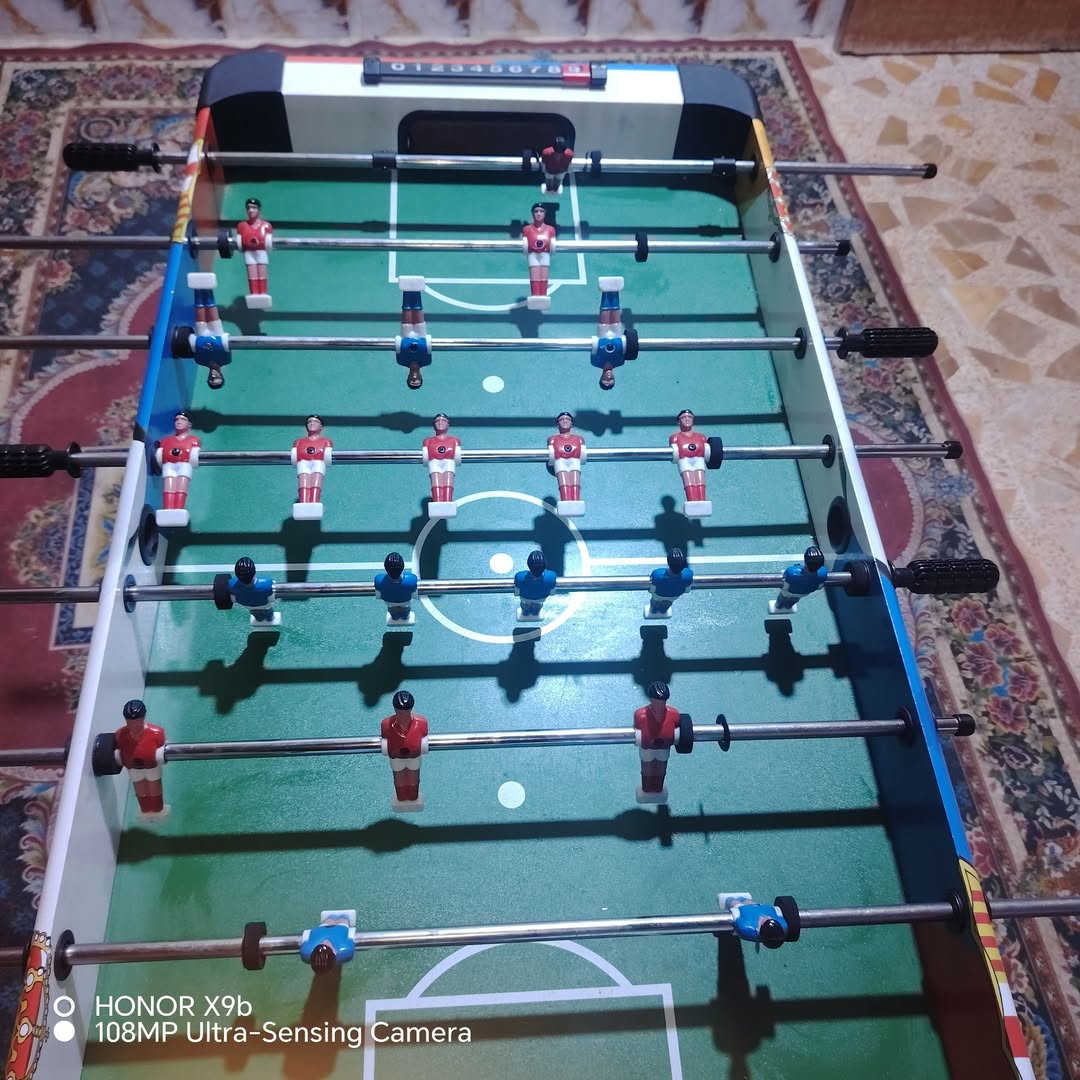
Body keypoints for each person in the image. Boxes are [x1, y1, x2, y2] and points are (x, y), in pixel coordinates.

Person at [114, 699, 167, 819]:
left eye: (137, 722)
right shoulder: (119, 735)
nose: (134, 726)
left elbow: (162, 747)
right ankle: (145, 810)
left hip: (152, 767)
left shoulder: (157, 733)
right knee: (141, 791)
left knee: (154, 789)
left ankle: (158, 810)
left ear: (143, 718)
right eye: (130, 723)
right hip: (133, 768)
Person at [381, 690, 429, 812]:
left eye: (406, 712)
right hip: (396, 759)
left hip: (414, 758)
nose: (403, 716)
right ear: (395, 710)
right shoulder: (385, 725)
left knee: (413, 783)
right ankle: (402, 797)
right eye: (400, 712)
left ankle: (413, 797)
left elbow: (424, 738)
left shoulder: (422, 723)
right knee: (399, 783)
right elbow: (385, 739)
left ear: (411, 709)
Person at [633, 681, 679, 804]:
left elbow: (680, 730)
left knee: (661, 770)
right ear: (651, 699)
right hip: (647, 749)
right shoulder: (640, 715)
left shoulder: (674, 715)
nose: (659, 704)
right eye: (657, 701)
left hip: (664, 749)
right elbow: (636, 733)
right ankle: (646, 790)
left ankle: (658, 789)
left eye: (662, 701)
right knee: (647, 770)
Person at [155, 410, 200, 527]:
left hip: (184, 464)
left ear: (189, 424)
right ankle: (167, 510)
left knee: (181, 487)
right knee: (169, 488)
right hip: (169, 465)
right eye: (177, 419)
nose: (179, 422)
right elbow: (161, 453)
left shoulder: (193, 440)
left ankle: (179, 511)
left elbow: (194, 454)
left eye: (183, 419)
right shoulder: (165, 440)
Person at [669, 409, 712, 517]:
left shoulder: (701, 437)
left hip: (698, 459)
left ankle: (702, 503)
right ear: (678, 421)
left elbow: (707, 450)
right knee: (689, 482)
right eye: (683, 417)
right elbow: (675, 451)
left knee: (700, 481)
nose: (687, 419)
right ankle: (692, 504)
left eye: (689, 417)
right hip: (684, 460)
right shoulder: (675, 437)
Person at [291, 414, 333, 520]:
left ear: (321, 426)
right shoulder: (298, 442)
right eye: (309, 422)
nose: (312, 424)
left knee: (315, 484)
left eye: (315, 422)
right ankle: (303, 504)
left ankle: (314, 504)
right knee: (303, 484)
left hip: (318, 462)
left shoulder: (326, 441)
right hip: (303, 462)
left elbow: (328, 455)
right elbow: (294, 455)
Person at [421, 413, 461, 517]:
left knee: (448, 482)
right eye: (437, 421)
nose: (440, 423)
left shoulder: (455, 441)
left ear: (448, 424)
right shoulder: (427, 441)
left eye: (443, 421)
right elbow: (425, 456)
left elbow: (457, 455)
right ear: (433, 425)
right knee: (436, 484)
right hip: (434, 462)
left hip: (448, 462)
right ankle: (437, 504)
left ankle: (448, 503)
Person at [547, 411, 586, 516]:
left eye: (567, 419)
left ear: (571, 423)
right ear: (558, 423)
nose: (565, 421)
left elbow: (582, 453)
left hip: (574, 461)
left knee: (575, 484)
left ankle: (576, 505)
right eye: (562, 419)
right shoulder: (552, 439)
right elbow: (551, 454)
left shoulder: (579, 439)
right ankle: (566, 506)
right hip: (560, 461)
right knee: (564, 485)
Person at [236, 196, 272, 308]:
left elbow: (268, 242)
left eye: (254, 208)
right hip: (249, 253)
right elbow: (240, 242)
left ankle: (263, 295)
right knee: (252, 276)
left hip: (261, 252)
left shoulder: (266, 226)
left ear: (259, 209)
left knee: (262, 275)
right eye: (248, 208)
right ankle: (254, 295)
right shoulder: (242, 226)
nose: (251, 210)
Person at [770, 546, 828, 614]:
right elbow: (819, 587)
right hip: (803, 594)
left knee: (781, 598)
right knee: (793, 601)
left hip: (788, 592)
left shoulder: (791, 572)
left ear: (805, 561)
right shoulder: (823, 573)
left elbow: (785, 585)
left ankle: (778, 606)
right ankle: (788, 607)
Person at [396, 275, 430, 389]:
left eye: (412, 381)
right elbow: (429, 346)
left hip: (406, 335)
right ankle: (416, 290)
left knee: (406, 309)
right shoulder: (426, 361)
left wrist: (398, 341)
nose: (414, 379)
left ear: (408, 378)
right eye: (417, 381)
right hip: (421, 335)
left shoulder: (401, 361)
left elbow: (398, 345)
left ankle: (406, 290)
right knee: (417, 310)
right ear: (421, 377)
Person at [521, 202, 556, 310]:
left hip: (545, 254)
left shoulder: (550, 229)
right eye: (536, 211)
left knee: (544, 276)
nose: (539, 214)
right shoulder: (526, 229)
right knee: (534, 276)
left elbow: (552, 243)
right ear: (532, 213)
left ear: (545, 214)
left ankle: (543, 297)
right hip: (533, 254)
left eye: (541, 211)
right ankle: (535, 296)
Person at [592, 276, 625, 390]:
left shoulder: (595, 362)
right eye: (611, 380)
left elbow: (594, 346)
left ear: (601, 377)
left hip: (603, 335)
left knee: (605, 312)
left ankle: (605, 291)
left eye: (605, 380)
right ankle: (615, 290)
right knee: (615, 311)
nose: (608, 378)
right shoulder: (620, 362)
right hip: (616, 334)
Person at [228, 556, 280, 628]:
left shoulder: (231, 584)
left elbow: (233, 597)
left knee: (256, 614)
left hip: (248, 606)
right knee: (269, 613)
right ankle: (270, 619)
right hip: (265, 605)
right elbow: (271, 598)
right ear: (254, 572)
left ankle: (259, 620)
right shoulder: (267, 583)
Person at [645, 548, 693, 619]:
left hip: (658, 595)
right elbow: (687, 590)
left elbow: (652, 589)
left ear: (668, 562)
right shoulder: (688, 574)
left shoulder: (657, 574)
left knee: (654, 602)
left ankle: (653, 611)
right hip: (674, 596)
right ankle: (663, 611)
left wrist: (651, 592)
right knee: (668, 604)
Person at [374, 552, 418, 627]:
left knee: (392, 611)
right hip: (405, 601)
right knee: (405, 610)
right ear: (402, 567)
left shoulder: (378, 580)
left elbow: (378, 596)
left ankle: (395, 618)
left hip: (389, 602)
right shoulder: (412, 579)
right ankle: (405, 617)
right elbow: (414, 595)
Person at [514, 549, 558, 621]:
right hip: (541, 598)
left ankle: (525, 612)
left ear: (528, 564)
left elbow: (516, 592)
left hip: (525, 597)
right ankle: (535, 612)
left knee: (525, 604)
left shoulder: (519, 576)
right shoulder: (551, 576)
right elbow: (552, 592)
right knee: (538, 605)